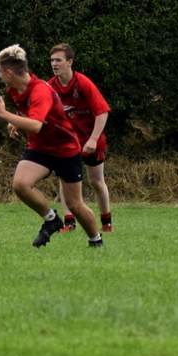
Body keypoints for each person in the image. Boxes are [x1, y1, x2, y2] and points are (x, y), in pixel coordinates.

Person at [0, 44, 103, 248]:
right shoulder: (14, 89)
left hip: (65, 150)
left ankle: (96, 240)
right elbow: (31, 116)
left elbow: (36, 125)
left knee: (75, 204)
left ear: (9, 72)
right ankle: (51, 219)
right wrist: (16, 121)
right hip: (39, 148)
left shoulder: (40, 90)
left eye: (0, 71)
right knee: (20, 184)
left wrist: (4, 114)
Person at [48, 43, 114, 234]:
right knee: (65, 180)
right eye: (52, 60)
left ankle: (106, 223)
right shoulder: (50, 86)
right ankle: (69, 223)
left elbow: (102, 112)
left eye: (58, 60)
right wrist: (17, 121)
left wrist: (93, 139)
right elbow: (38, 107)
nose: (54, 64)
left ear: (70, 62)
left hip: (91, 140)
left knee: (96, 181)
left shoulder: (83, 83)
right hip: (68, 143)